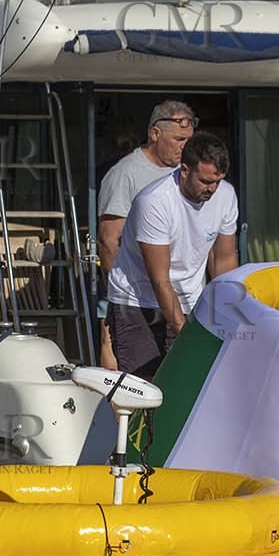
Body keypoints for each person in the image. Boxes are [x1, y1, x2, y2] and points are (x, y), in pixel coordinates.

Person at [105, 133, 239, 379]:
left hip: (189, 299)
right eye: (206, 181)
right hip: (137, 303)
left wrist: (229, 316)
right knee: (144, 388)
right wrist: (187, 335)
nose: (212, 189)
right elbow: (160, 280)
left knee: (187, 384)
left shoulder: (226, 195)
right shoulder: (154, 201)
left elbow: (224, 260)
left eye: (218, 181)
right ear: (185, 170)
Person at [95, 101, 196, 368]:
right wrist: (117, 296)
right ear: (155, 134)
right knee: (137, 373)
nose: (184, 146)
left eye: (188, 140)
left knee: (177, 369)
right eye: (178, 139)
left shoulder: (186, 174)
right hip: (135, 297)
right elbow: (109, 240)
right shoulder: (125, 174)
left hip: (179, 294)